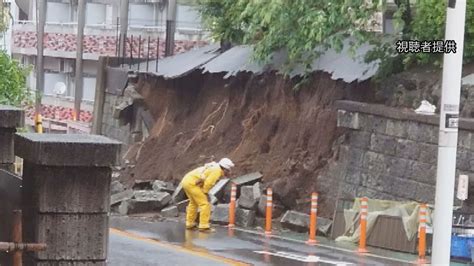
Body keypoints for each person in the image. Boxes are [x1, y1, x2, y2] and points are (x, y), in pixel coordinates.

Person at [181, 158, 235, 232]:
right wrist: (205, 192)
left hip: (186, 181)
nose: (229, 172)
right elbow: (209, 183)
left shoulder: (214, 167)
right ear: (225, 168)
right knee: (205, 204)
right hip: (192, 184)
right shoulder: (217, 171)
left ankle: (189, 223)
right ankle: (204, 226)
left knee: (193, 203)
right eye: (229, 170)